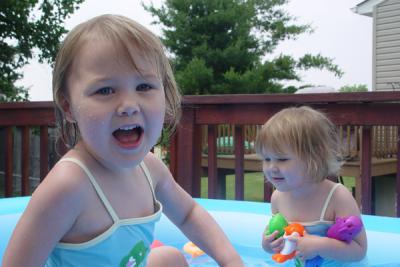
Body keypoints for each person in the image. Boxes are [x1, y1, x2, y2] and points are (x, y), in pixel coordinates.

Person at [2, 14, 243, 267]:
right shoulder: (68, 186)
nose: (129, 105)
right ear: (68, 107)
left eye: (144, 87)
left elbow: (188, 214)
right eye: (105, 90)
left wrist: (231, 261)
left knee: (170, 259)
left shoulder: (150, 169)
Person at [255, 106, 369, 266]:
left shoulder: (337, 197)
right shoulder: (278, 198)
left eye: (282, 159)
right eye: (266, 159)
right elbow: (280, 244)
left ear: (313, 158)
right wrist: (269, 245)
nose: (271, 167)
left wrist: (320, 246)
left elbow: (360, 251)